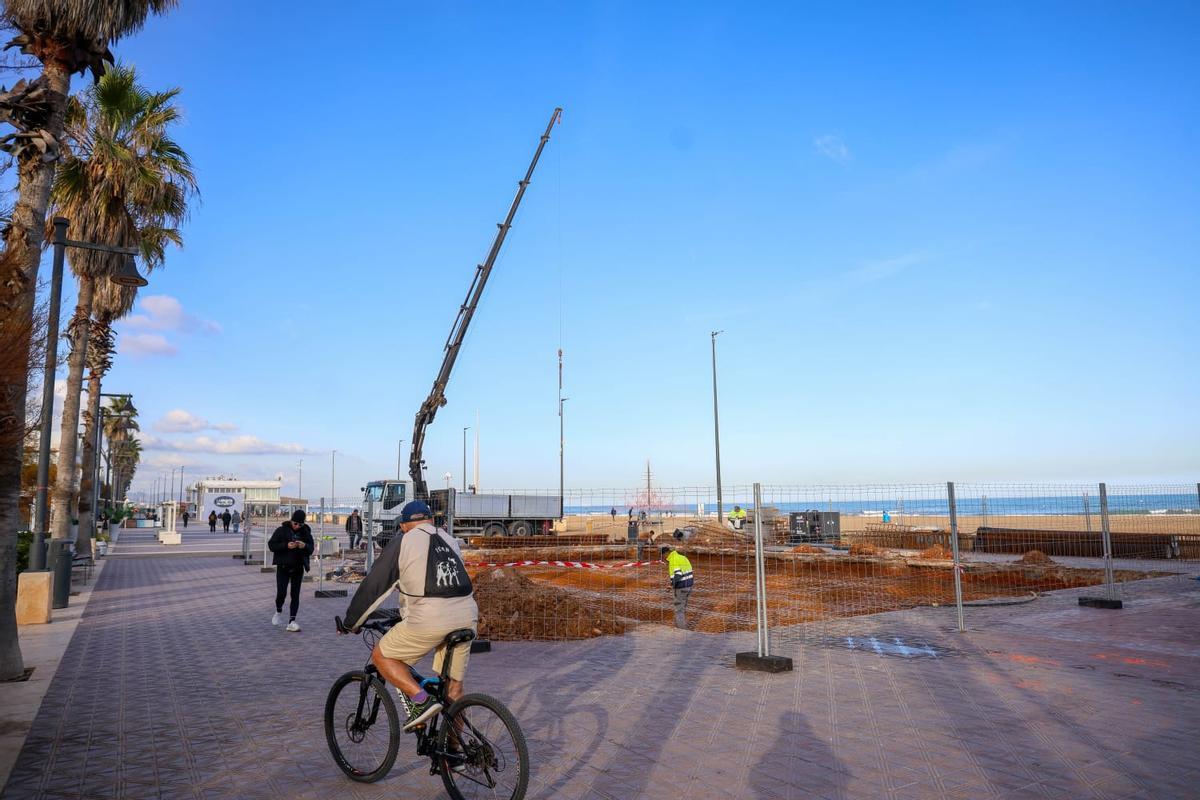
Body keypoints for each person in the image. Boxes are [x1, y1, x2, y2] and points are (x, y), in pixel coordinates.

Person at [342, 500, 477, 732]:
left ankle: (421, 700)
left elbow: (375, 586)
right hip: (467, 615)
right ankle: (455, 755)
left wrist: (351, 623)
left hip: (430, 618)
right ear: (431, 521)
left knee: (382, 656)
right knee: (453, 690)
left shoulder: (403, 541)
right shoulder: (449, 539)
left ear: (403, 525)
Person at [269, 509, 313, 632]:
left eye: (300, 524)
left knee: (295, 595)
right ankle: (278, 610)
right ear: (291, 521)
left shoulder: (306, 532)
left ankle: (292, 621)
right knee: (281, 593)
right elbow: (271, 545)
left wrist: (304, 546)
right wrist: (285, 545)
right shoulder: (281, 530)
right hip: (283, 567)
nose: (298, 526)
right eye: (295, 523)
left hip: (298, 567)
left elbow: (311, 548)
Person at [660, 543, 694, 629]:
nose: (663, 557)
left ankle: (681, 630)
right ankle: (679, 625)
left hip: (681, 587)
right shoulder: (682, 557)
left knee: (679, 610)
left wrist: (671, 585)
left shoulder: (673, 560)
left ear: (666, 553)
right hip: (689, 585)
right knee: (682, 607)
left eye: (663, 555)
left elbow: (678, 574)